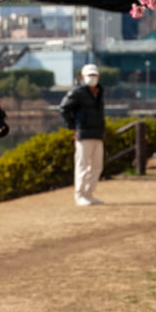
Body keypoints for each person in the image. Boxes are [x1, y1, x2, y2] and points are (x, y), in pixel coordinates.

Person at [59, 63, 106, 206]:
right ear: (82, 77)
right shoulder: (78, 92)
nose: (92, 78)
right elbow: (63, 108)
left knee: (97, 166)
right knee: (83, 165)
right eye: (89, 75)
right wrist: (73, 126)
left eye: (94, 75)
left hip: (98, 133)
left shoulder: (99, 92)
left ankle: (89, 193)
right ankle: (80, 195)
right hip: (84, 133)